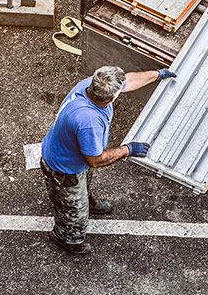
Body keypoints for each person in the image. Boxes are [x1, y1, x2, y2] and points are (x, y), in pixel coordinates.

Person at [40, 65, 177, 254]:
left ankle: (86, 200)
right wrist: (127, 150)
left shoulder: (91, 85)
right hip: (63, 169)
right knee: (75, 213)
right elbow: (95, 160)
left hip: (71, 156)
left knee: (84, 182)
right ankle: (67, 238)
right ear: (112, 98)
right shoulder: (88, 121)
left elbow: (129, 80)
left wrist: (157, 75)